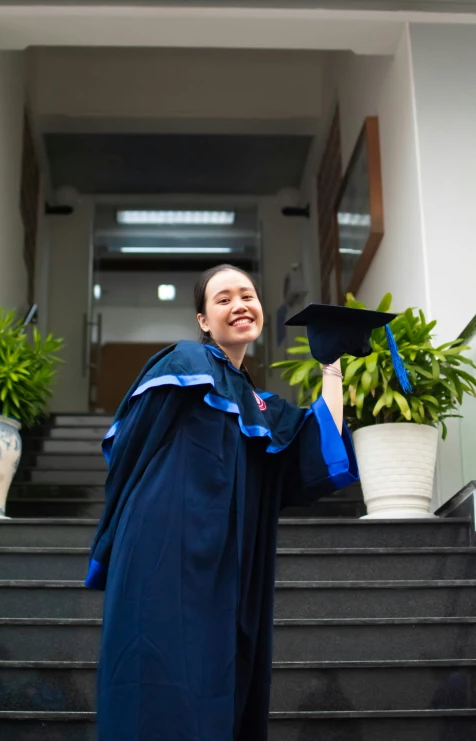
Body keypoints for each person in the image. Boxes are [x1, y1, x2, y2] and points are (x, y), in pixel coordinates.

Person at [85, 264, 358, 741]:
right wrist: (119, 534)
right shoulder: (184, 363)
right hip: (164, 547)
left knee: (219, 672)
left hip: (229, 560)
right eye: (224, 298)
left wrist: (330, 364)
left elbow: (317, 446)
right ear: (203, 320)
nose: (239, 305)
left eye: (247, 295)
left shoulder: (261, 405)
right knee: (158, 671)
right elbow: (131, 450)